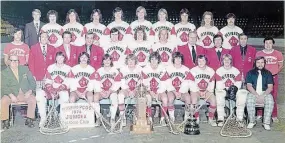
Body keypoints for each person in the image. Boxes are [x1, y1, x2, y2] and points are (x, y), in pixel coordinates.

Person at [1, 55, 37, 129]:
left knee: (32, 99)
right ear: (8, 61)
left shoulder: (25, 69)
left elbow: (32, 82)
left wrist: (30, 91)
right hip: (11, 94)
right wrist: (11, 95)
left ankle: (29, 119)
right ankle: (5, 121)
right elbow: (3, 86)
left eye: (16, 60)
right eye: (12, 60)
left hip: (25, 93)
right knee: (3, 101)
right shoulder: (3, 72)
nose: (15, 62)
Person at [37, 51, 71, 127]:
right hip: (51, 89)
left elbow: (68, 82)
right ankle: (43, 118)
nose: (60, 59)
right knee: (39, 94)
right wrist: (52, 90)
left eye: (62, 57)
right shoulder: (50, 67)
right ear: (55, 58)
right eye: (58, 57)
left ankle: (62, 119)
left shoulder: (68, 68)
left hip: (62, 90)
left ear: (64, 58)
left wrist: (58, 90)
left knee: (65, 95)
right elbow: (48, 81)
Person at [256, 37, 284, 123]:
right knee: (260, 94)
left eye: (270, 43)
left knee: (273, 96)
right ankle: (259, 114)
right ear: (264, 44)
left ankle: (274, 115)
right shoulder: (259, 53)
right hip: (261, 77)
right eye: (266, 43)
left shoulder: (278, 53)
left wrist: (274, 73)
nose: (268, 45)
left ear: (273, 44)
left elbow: (281, 65)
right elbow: (256, 65)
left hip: (273, 77)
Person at [215, 54, 247, 126]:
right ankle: (220, 118)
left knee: (242, 94)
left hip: (234, 90)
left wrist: (233, 90)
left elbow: (238, 83)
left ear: (231, 61)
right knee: (219, 94)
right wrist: (226, 91)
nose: (226, 61)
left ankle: (239, 118)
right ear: (222, 61)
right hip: (223, 90)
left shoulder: (235, 70)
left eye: (228, 59)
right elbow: (219, 84)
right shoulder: (219, 70)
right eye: (225, 59)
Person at [246, 56, 274, 130]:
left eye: (262, 62)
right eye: (258, 62)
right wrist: (256, 95)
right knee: (249, 100)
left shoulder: (268, 73)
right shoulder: (250, 73)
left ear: (264, 63)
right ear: (255, 63)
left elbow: (270, 87)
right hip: (253, 92)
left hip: (265, 92)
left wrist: (263, 96)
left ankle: (266, 123)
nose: (260, 64)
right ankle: (252, 121)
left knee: (270, 101)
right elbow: (249, 86)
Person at [93, 54, 121, 127]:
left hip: (111, 91)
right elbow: (96, 83)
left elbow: (118, 83)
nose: (107, 61)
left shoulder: (115, 71)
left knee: (114, 97)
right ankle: (98, 118)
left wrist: (110, 91)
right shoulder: (99, 71)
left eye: (109, 59)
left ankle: (112, 118)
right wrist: (100, 90)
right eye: (105, 59)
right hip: (102, 91)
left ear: (111, 61)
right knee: (95, 97)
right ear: (102, 61)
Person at [189, 55, 217, 126]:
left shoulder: (211, 71)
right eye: (199, 61)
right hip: (196, 90)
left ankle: (210, 119)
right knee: (194, 101)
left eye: (203, 60)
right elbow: (191, 84)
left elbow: (212, 84)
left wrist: (206, 91)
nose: (200, 62)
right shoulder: (193, 70)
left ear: (206, 61)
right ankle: (197, 118)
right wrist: (198, 91)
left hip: (207, 91)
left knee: (214, 101)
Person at [142, 52, 168, 124]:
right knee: (148, 99)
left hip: (159, 91)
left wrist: (158, 92)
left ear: (158, 60)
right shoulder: (145, 69)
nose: (153, 61)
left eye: (155, 59)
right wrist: (150, 91)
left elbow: (164, 83)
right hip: (149, 91)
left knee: (165, 99)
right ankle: (149, 118)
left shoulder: (162, 69)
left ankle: (162, 118)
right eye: (152, 59)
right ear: (150, 60)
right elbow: (144, 83)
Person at [165, 52, 192, 122]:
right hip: (172, 90)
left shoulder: (186, 69)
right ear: (173, 59)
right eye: (176, 58)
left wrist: (180, 91)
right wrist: (174, 91)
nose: (177, 60)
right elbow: (167, 82)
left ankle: (186, 117)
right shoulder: (168, 68)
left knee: (188, 99)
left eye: (179, 58)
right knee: (170, 99)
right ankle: (171, 117)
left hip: (182, 91)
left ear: (181, 59)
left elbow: (187, 82)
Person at [118, 54, 142, 126]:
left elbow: (141, 82)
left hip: (136, 89)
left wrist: (134, 90)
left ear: (135, 61)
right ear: (126, 61)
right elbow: (122, 83)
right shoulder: (123, 69)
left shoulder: (139, 69)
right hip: (126, 89)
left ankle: (137, 116)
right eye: (129, 60)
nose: (131, 62)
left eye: (132, 60)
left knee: (141, 96)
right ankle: (123, 117)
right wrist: (129, 90)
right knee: (120, 96)